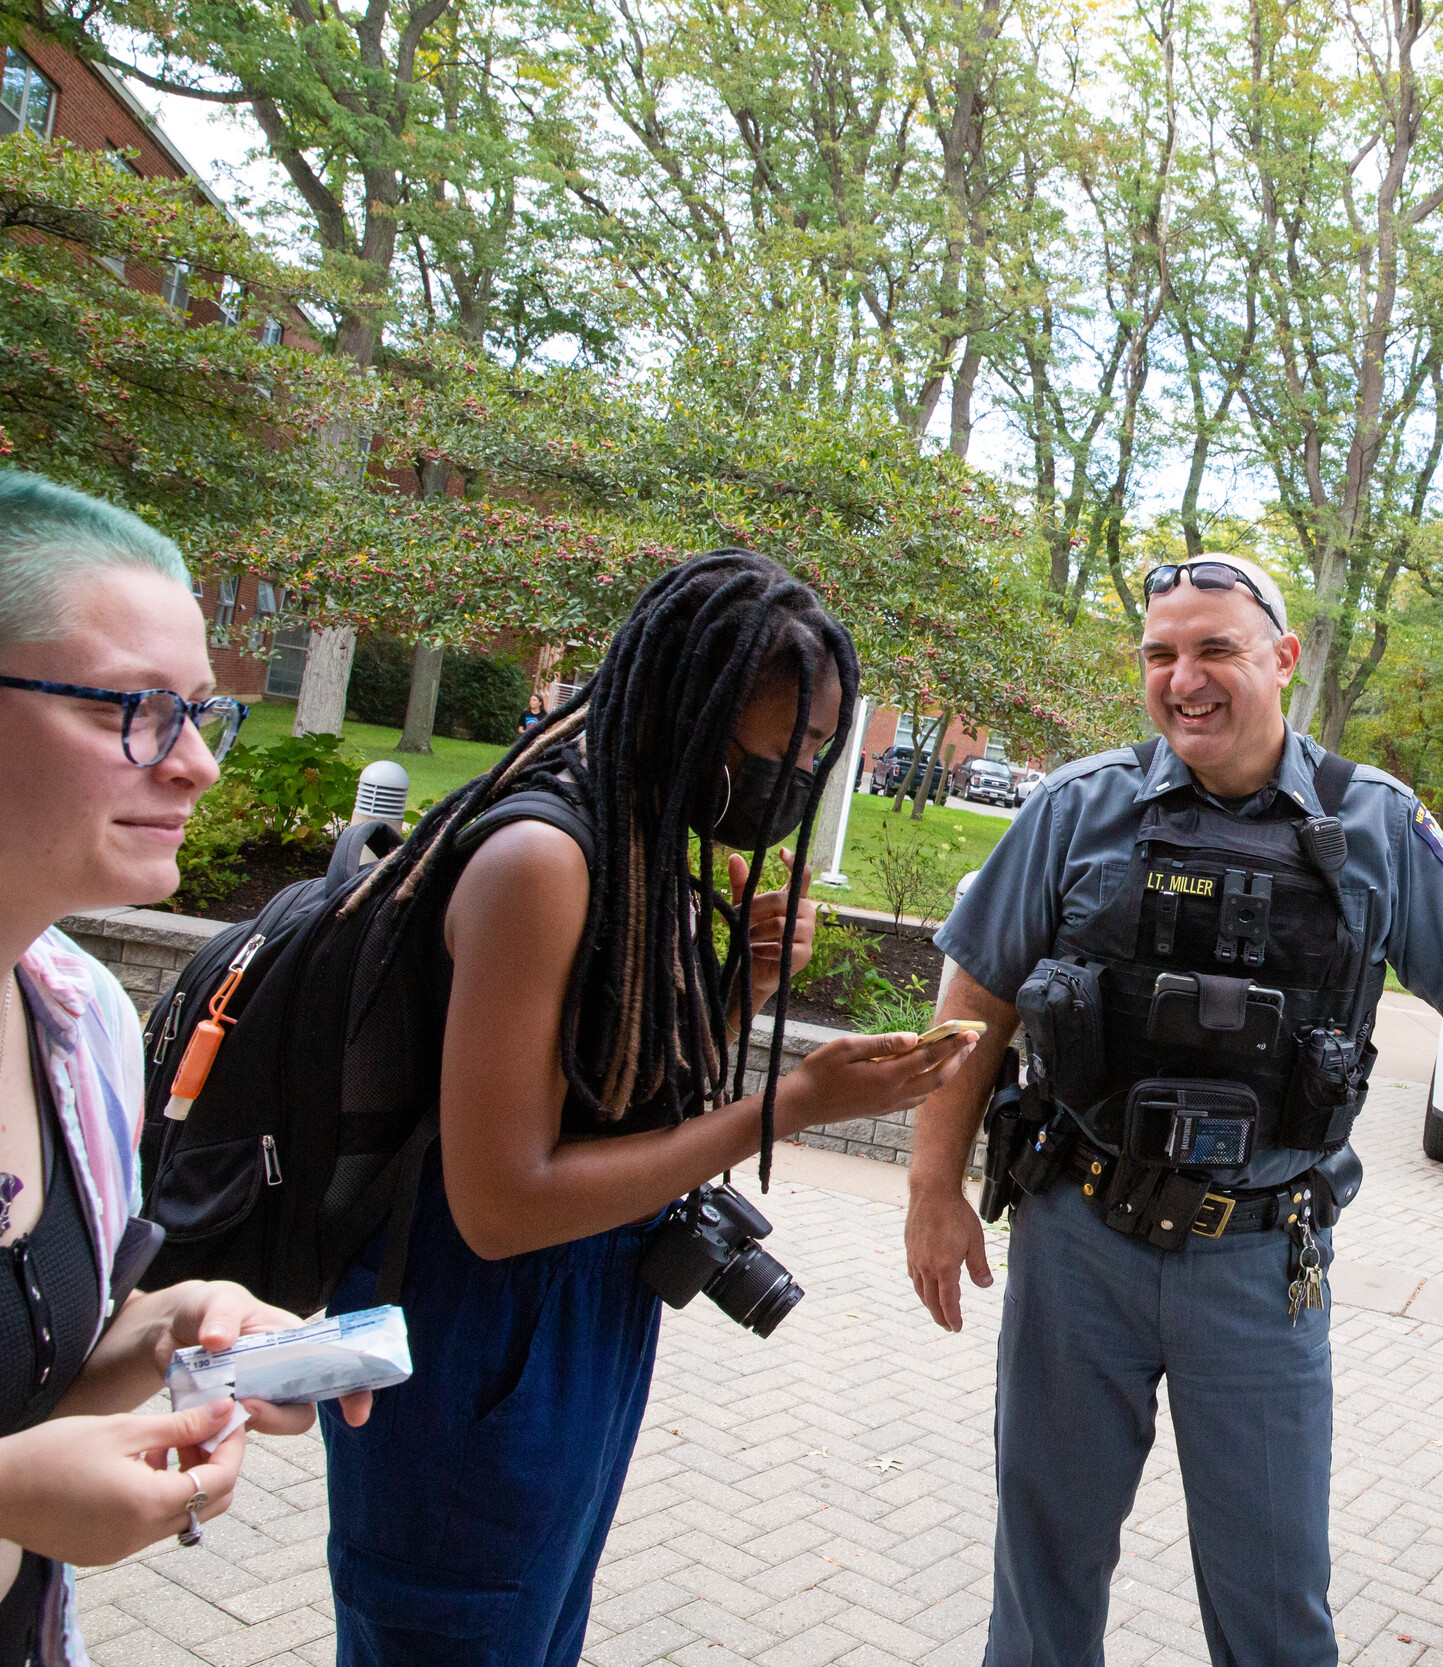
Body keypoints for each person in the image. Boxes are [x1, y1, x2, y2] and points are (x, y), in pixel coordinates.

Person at [903, 553, 1443, 1667]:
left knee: (1275, 1604)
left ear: (1282, 659)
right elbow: (974, 1002)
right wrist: (930, 1187)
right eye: (1160, 654)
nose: (1183, 678)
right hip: (1076, 1244)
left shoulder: (1374, 825)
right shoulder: (1074, 808)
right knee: (1042, 1578)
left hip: (1258, 1261)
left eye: (1214, 649)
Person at [316, 550, 979, 1666]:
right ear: (694, 708)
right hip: (480, 1326)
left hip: (579, 1310)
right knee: (455, 1632)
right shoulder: (542, 855)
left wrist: (739, 993)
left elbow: (603, 1094)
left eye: (821, 748)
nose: (803, 773)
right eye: (791, 744)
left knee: (526, 1633)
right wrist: (792, 1104)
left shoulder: (631, 835)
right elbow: (499, 1202)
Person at [0, 471, 374, 1664]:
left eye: (200, 713)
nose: (196, 766)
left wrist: (170, 1329)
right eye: (133, 709)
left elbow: (41, 1366)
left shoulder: (80, 1019)